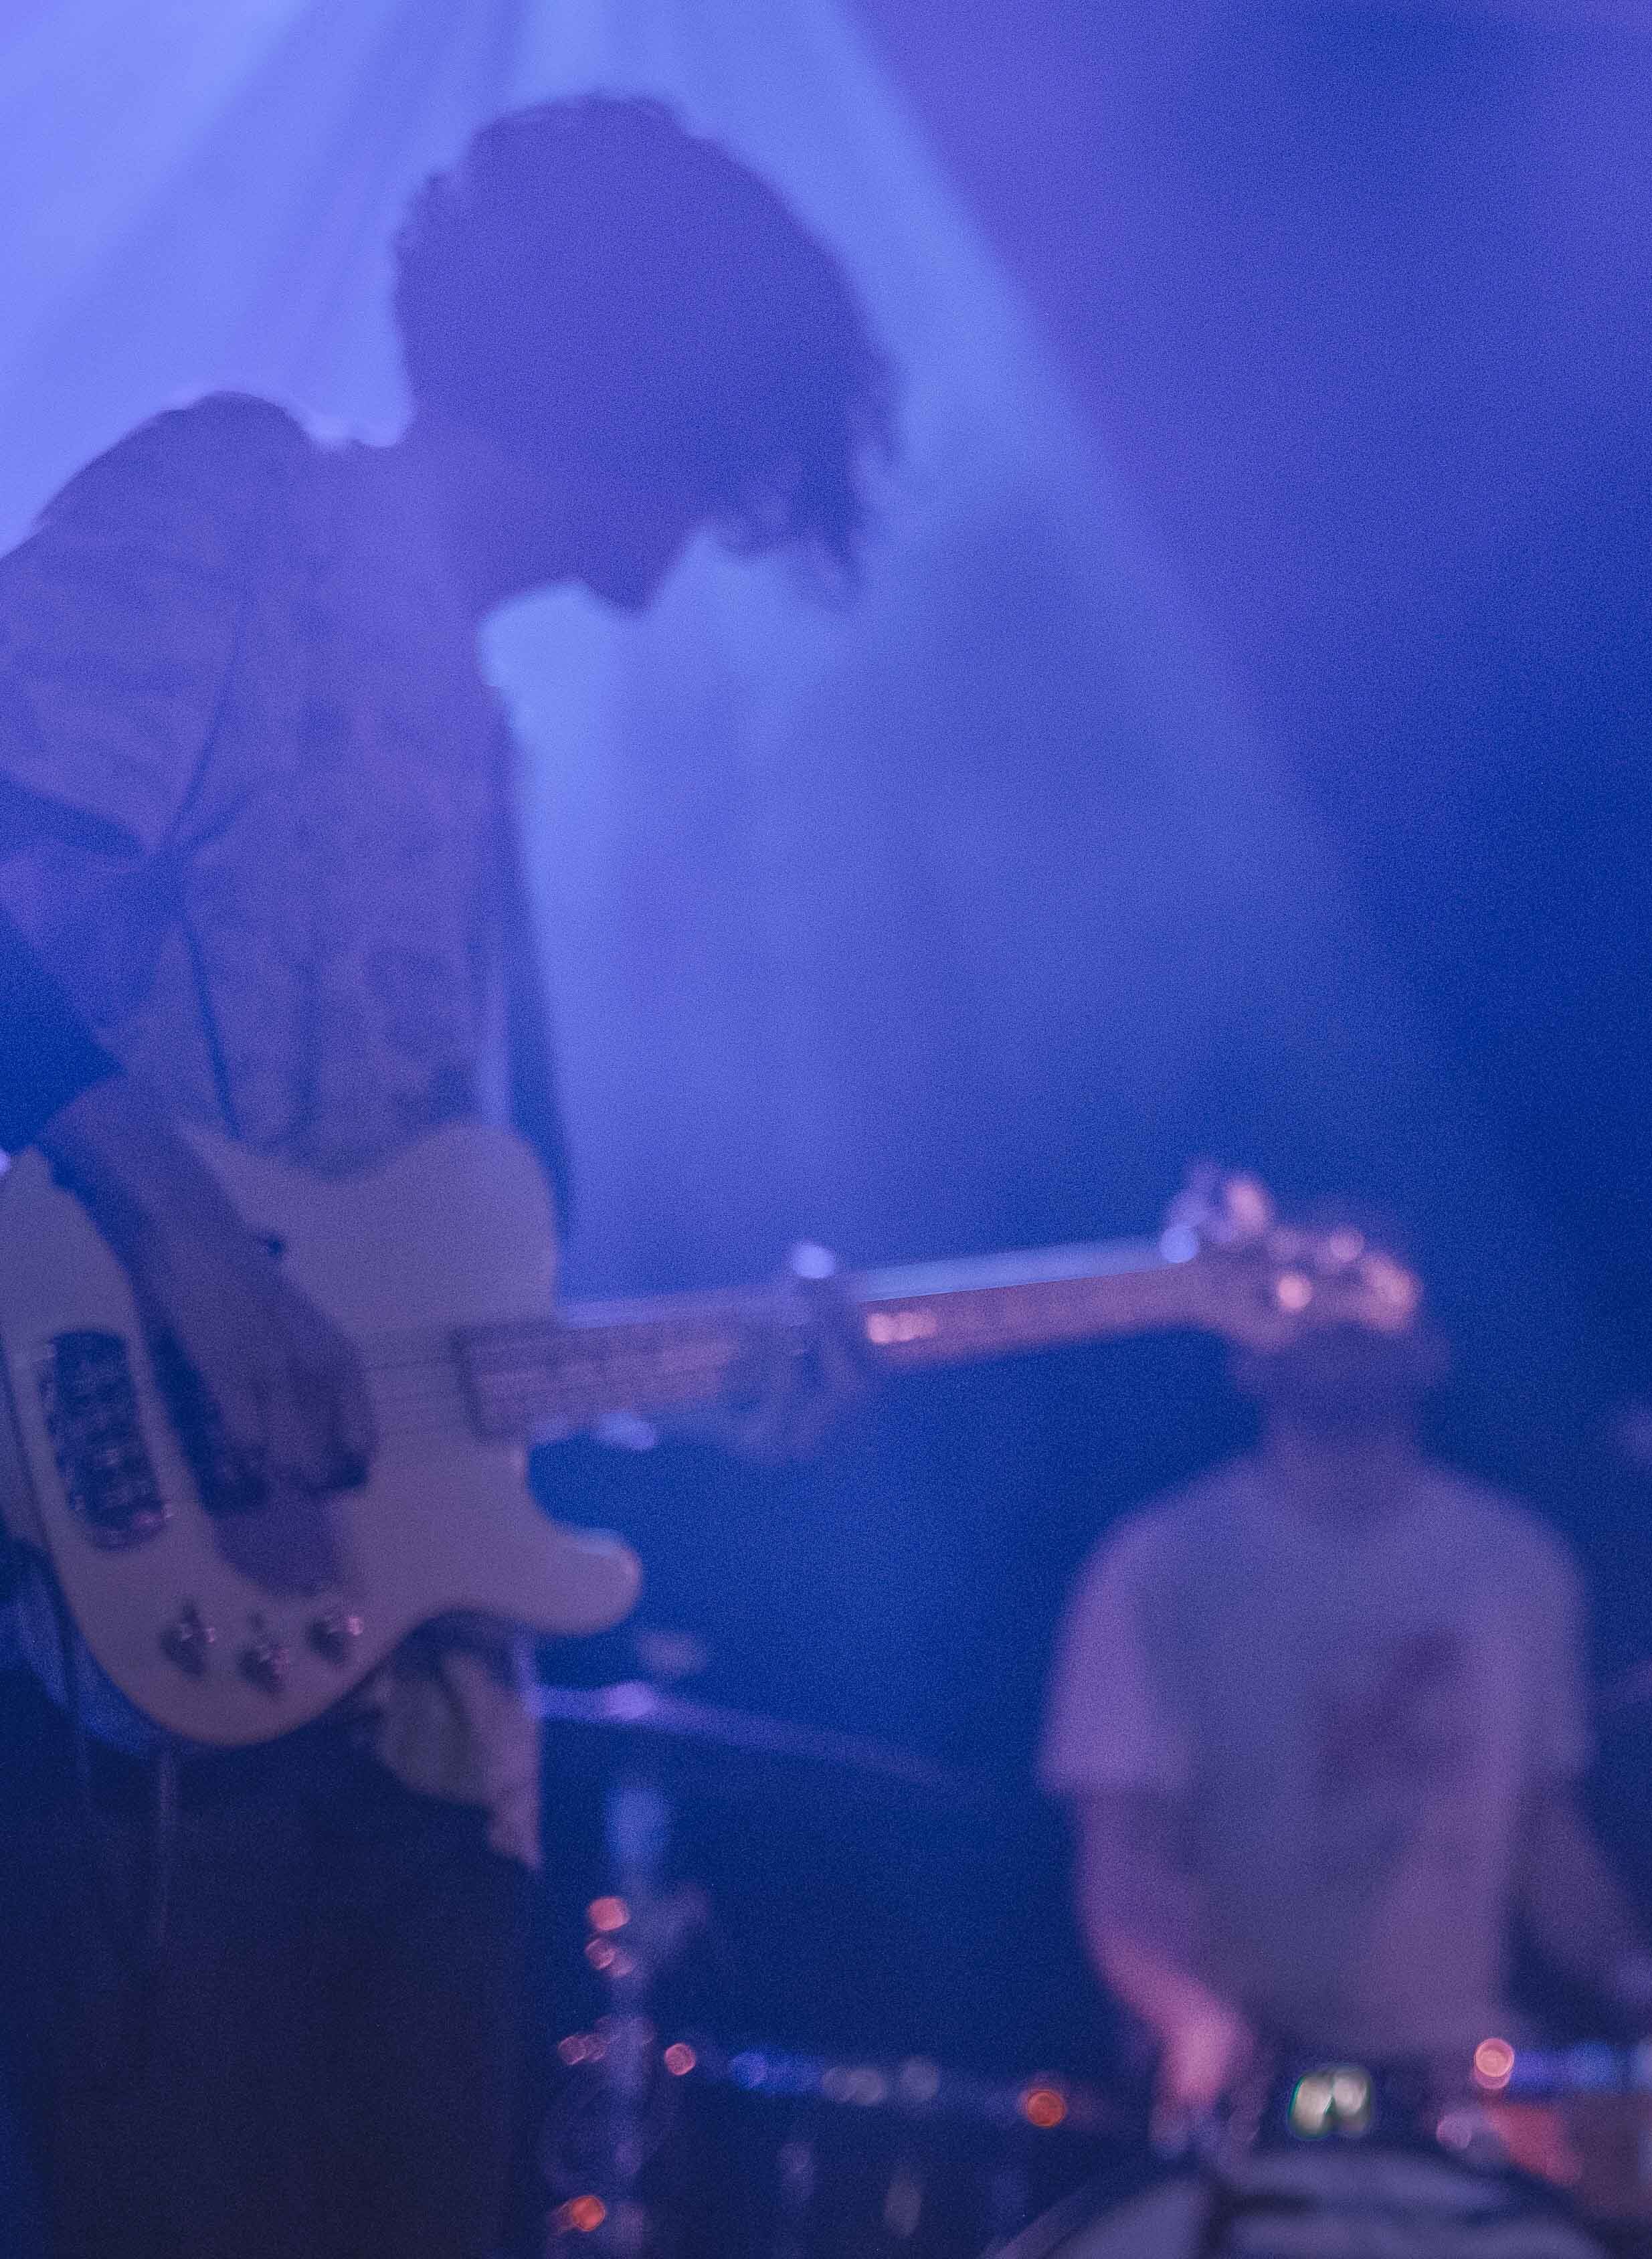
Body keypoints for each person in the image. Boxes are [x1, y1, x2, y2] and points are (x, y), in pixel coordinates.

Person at [0, 95, 894, 2259]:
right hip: (138, 1672)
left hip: (412, 1732)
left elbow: (431, 1302)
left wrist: (689, 1377)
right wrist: (196, 1253)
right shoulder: (230, 509)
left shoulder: (479, 722)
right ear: (653, 385)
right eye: (729, 442)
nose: (721, 517)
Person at [1040, 1204, 1652, 2145]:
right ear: (1247, 1345)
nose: (1340, 1331)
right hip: (1247, 2101)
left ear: (1429, 1346)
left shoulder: (1514, 1564)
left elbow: (1540, 1834)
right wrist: (1193, 2022)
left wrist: (1649, 1991)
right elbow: (1123, 1856)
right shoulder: (1160, 1566)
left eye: (1366, 1302)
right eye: (1310, 1305)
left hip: (1457, 2094)